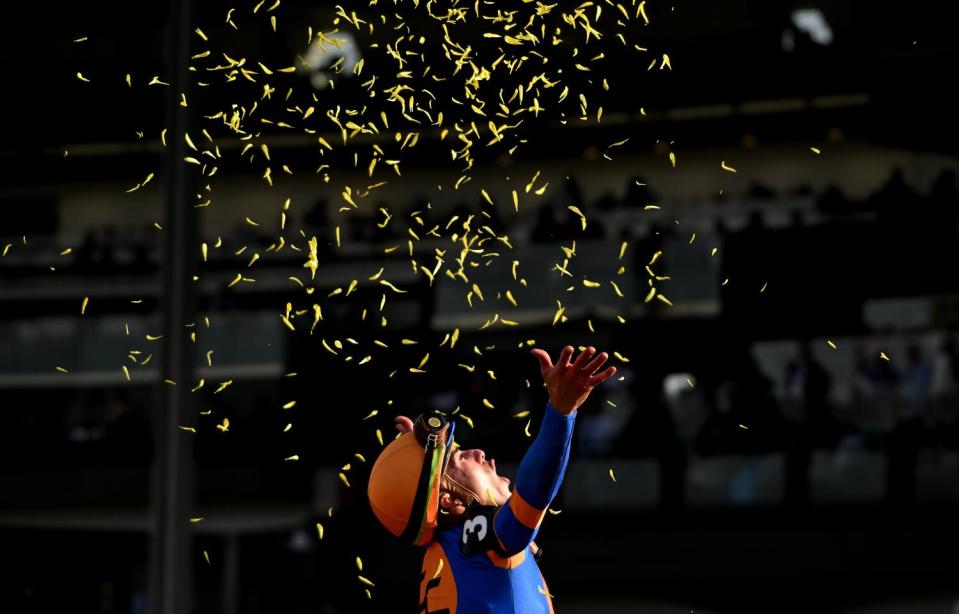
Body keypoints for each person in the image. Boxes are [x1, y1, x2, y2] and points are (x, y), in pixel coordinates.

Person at [367, 346, 617, 613]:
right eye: (459, 457)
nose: (478, 452)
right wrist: (561, 411)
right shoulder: (476, 538)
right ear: (448, 500)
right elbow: (535, 491)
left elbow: (416, 505)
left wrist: (412, 469)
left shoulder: (442, 549)